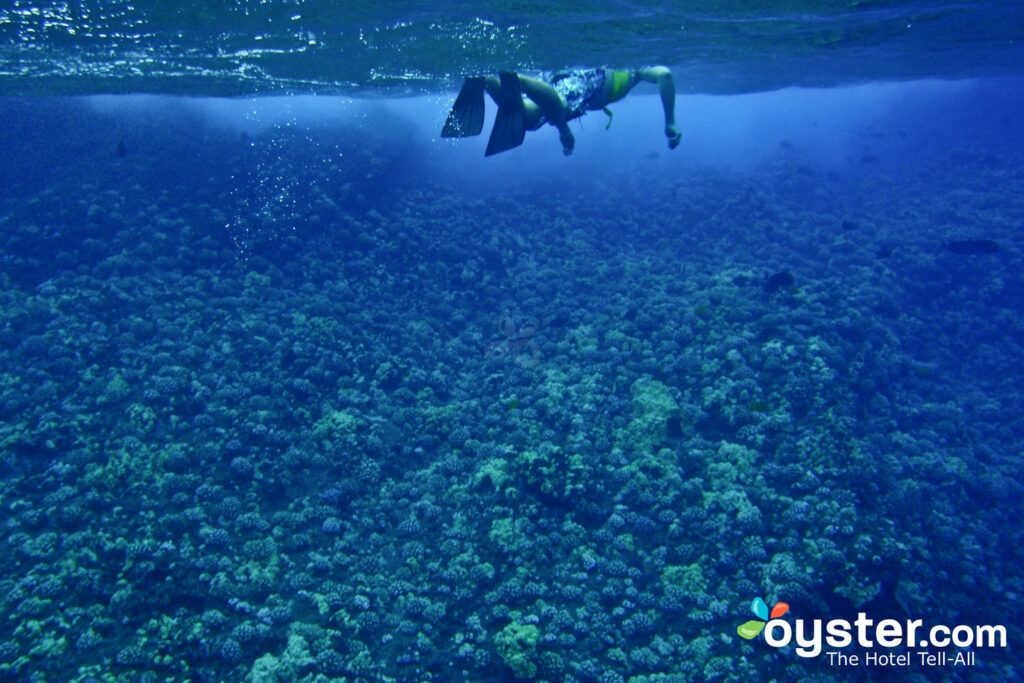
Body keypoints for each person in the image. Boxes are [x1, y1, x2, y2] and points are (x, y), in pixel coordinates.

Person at [441, 67, 682, 156]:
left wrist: (563, 131)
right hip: (589, 83)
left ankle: (489, 81)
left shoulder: (629, 72)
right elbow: (665, 74)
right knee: (558, 108)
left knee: (532, 120)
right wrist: (670, 122)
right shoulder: (634, 72)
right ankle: (519, 81)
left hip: (559, 79)